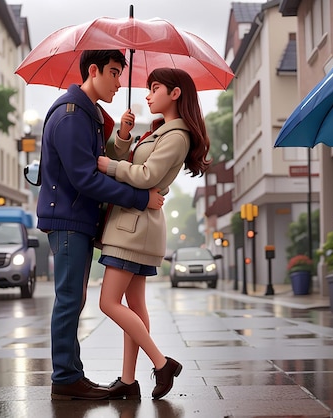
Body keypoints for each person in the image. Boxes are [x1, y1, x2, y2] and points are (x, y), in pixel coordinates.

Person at [36, 49, 165, 401]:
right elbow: (85, 177)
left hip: (75, 218)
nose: (118, 81)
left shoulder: (88, 115)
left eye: (120, 74)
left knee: (73, 298)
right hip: (68, 219)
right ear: (93, 71)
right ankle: (65, 378)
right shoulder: (72, 115)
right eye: (113, 72)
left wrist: (121, 136)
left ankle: (71, 375)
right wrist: (140, 199)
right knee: (68, 299)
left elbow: (101, 160)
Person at [96, 67, 211, 400]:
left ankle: (161, 364)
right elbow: (131, 161)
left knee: (108, 303)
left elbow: (146, 175)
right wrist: (123, 135)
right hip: (136, 224)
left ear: (175, 93)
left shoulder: (177, 135)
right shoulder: (159, 131)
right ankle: (129, 381)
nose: (148, 94)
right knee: (135, 305)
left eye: (155, 87)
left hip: (133, 227)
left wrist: (109, 167)